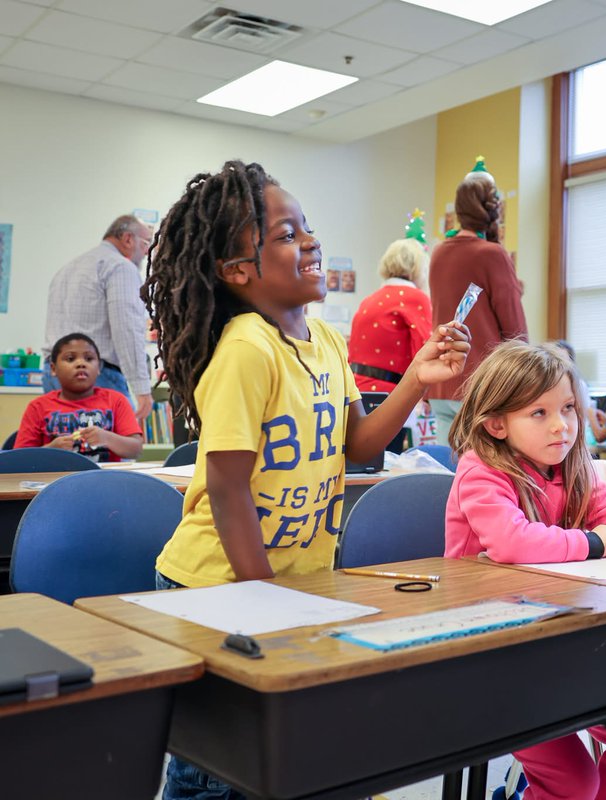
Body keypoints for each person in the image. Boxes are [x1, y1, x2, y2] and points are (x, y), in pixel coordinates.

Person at [141, 160, 470, 800]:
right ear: (238, 271)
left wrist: (416, 379)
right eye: (287, 235)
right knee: (212, 771)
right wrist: (265, 598)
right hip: (215, 586)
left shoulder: (325, 340)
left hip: (289, 583)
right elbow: (228, 488)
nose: (311, 241)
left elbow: (360, 446)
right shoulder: (246, 349)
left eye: (307, 228)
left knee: (274, 756)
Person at [444, 340, 606, 800]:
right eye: (539, 413)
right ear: (496, 423)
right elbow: (512, 542)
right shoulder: (480, 470)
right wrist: (596, 541)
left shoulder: (573, 466)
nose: (561, 425)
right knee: (572, 781)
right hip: (491, 655)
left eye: (568, 408)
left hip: (562, 641)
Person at [428, 156, 528, 445]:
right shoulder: (491, 254)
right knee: (482, 470)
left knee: (447, 469)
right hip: (481, 385)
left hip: (441, 383)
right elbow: (516, 332)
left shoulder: (438, 253)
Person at [43, 214, 155, 422]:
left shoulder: (67, 269)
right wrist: (142, 388)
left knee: (65, 442)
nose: (147, 251)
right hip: (96, 377)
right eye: (146, 243)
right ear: (128, 239)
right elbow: (127, 330)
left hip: (54, 373)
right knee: (112, 442)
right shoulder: (120, 267)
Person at [16, 332, 144, 461]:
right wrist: (51, 450)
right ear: (53, 369)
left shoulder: (116, 400)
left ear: (98, 368)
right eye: (70, 359)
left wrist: (107, 438)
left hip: (103, 473)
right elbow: (19, 458)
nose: (81, 364)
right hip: (55, 474)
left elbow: (136, 449)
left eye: (89, 359)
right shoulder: (38, 407)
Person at [348, 210, 433, 393]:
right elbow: (425, 352)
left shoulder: (370, 299)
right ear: (418, 267)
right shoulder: (416, 298)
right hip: (390, 394)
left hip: (355, 390)